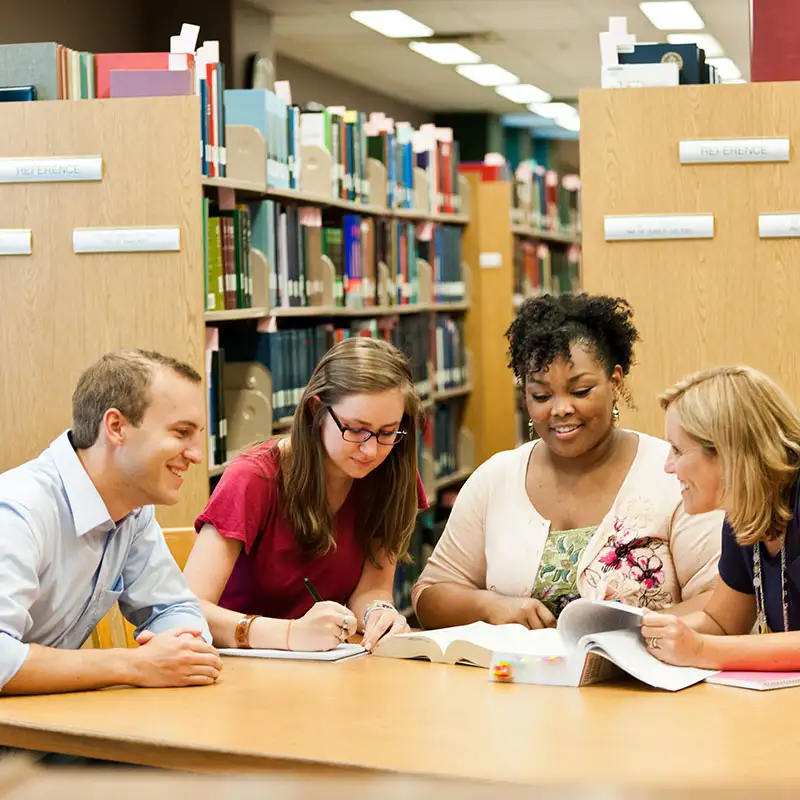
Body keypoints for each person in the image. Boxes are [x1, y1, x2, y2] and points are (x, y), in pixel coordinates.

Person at [413, 293, 724, 630]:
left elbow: (722, 602)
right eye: (542, 396)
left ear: (615, 382)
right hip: (519, 679)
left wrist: (625, 636)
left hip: (645, 677)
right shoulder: (496, 478)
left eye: (580, 391)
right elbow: (430, 596)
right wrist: (488, 606)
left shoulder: (671, 475)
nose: (560, 409)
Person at [0, 349, 222, 696]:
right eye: (181, 432)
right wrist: (136, 665)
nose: (195, 454)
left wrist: (179, 649)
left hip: (43, 723)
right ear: (116, 427)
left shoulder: (132, 510)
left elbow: (174, 607)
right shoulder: (16, 512)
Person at [184, 337, 427, 653]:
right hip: (237, 667)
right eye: (355, 429)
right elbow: (187, 610)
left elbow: (372, 589)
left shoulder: (389, 474)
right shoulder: (253, 478)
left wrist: (377, 612)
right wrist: (288, 634)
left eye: (387, 431)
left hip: (326, 668)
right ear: (316, 410)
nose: (371, 449)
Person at [643, 366, 800, 670]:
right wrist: (639, 634)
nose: (668, 466)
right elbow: (722, 622)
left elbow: (711, 642)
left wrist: (701, 650)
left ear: (727, 452)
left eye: (677, 450)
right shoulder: (742, 512)